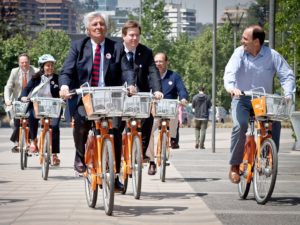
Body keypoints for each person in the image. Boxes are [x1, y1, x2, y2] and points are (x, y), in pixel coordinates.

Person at [59, 12, 135, 191]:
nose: (99, 27)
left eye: (102, 24)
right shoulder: (78, 46)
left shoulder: (116, 47)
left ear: (106, 28)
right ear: (88, 29)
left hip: (110, 97)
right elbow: (66, 71)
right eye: (95, 24)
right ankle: (79, 155)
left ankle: (114, 175)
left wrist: (131, 84)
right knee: (81, 122)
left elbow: (126, 69)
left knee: (115, 131)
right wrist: (63, 86)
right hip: (86, 96)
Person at [224, 25, 295, 184]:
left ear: (256, 42)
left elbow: (287, 75)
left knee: (274, 121)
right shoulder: (239, 53)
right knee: (241, 125)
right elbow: (230, 71)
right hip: (241, 98)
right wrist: (231, 88)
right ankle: (235, 165)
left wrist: (288, 94)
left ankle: (268, 156)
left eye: (245, 38)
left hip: (262, 101)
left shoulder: (272, 55)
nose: (242, 41)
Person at [117, 20, 163, 172]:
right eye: (131, 35)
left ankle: (141, 151)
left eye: (137, 35)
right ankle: (114, 157)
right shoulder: (116, 50)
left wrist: (157, 90)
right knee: (117, 126)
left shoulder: (146, 52)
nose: (134, 38)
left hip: (140, 95)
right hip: (119, 95)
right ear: (123, 36)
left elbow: (153, 72)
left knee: (148, 117)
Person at [146, 52, 188, 175]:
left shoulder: (174, 76)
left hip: (169, 108)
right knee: (148, 131)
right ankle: (152, 162)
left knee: (175, 113)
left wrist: (183, 98)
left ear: (166, 62)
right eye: (156, 61)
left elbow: (182, 89)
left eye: (161, 61)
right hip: (154, 109)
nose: (158, 64)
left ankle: (173, 138)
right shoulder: (150, 76)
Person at [21, 54, 62, 166]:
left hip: (53, 106)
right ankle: (33, 140)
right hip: (38, 105)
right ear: (42, 67)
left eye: (52, 65)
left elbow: (63, 89)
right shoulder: (36, 78)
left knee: (55, 127)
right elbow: (27, 89)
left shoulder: (58, 78)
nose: (50, 68)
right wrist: (24, 96)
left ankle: (54, 154)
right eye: (47, 65)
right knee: (32, 117)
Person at [4, 53, 38, 153]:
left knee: (33, 118)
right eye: (22, 62)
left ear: (29, 62)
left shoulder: (35, 71)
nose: (24, 64)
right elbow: (8, 87)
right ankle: (18, 142)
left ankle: (33, 141)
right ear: (19, 63)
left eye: (26, 62)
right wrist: (7, 99)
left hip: (31, 99)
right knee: (14, 121)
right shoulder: (14, 71)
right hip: (17, 99)